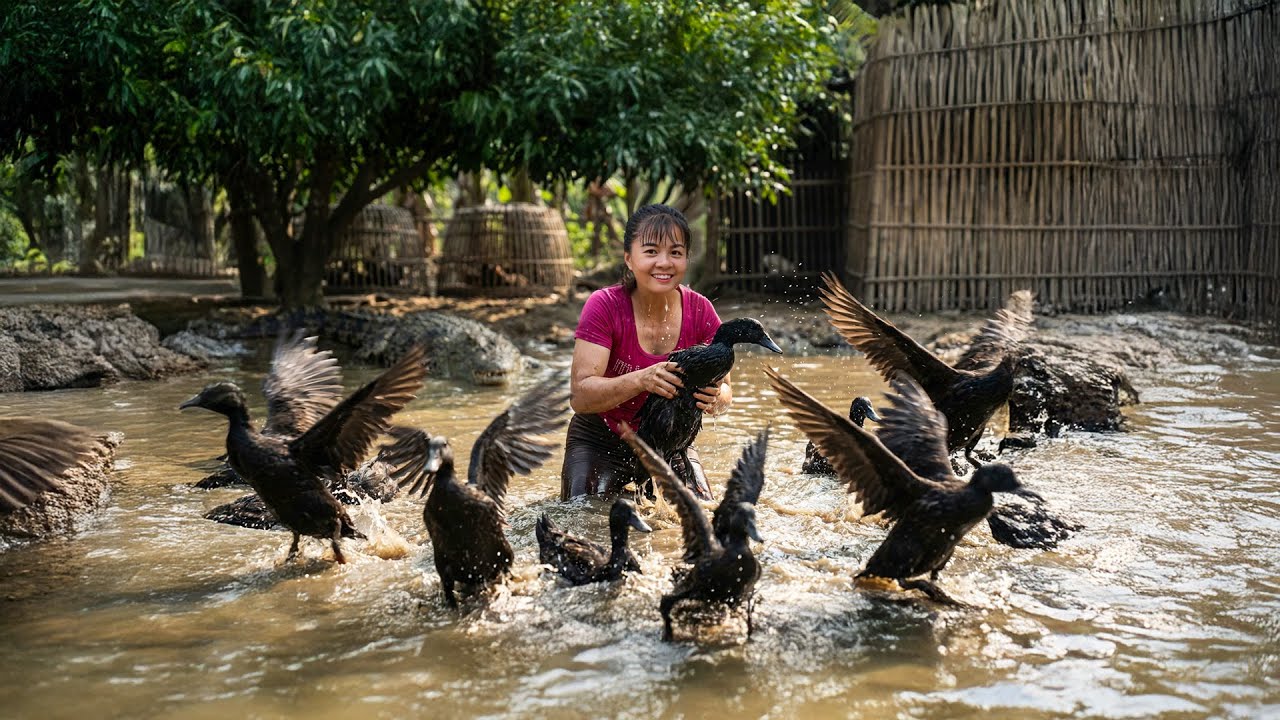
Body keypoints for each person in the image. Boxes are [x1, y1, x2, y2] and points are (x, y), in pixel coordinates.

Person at [560, 204, 730, 500]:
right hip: (602, 438)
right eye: (651, 251)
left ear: (686, 259)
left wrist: (717, 398)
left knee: (700, 516)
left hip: (671, 442)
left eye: (675, 253)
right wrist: (642, 380)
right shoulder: (604, 306)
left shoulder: (702, 311)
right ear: (628, 258)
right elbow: (581, 395)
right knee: (582, 516)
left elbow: (726, 388)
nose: (664, 262)